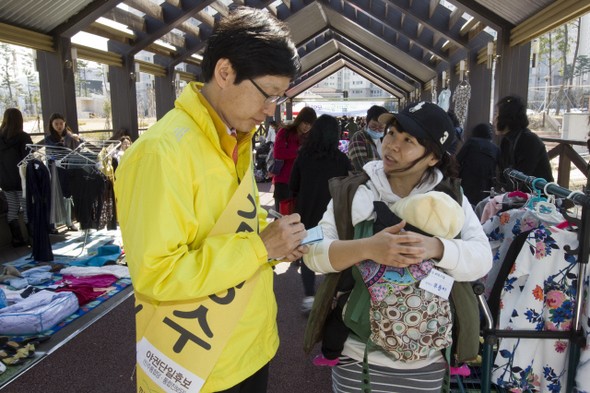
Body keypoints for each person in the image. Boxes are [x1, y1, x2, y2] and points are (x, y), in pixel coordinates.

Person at [114, 7, 308, 393]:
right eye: (268, 95)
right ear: (224, 73)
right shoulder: (160, 154)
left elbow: (229, 232)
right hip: (198, 368)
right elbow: (158, 274)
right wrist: (258, 247)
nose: (271, 111)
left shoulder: (234, 138)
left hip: (249, 347)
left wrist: (270, 246)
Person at [303, 101, 492, 392]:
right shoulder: (354, 191)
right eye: (391, 133)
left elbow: (482, 259)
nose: (392, 145)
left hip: (428, 361)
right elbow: (314, 255)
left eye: (408, 141)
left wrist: (436, 248)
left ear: (432, 157)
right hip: (356, 357)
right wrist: (368, 248)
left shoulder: (451, 198)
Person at [313, 191, 465, 368]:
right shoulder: (441, 256)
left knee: (342, 313)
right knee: (451, 318)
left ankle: (330, 354)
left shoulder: (380, 243)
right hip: (426, 319)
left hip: (376, 321)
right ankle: (455, 363)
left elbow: (349, 277)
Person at [289, 115, 353, 313]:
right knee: (333, 253)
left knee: (307, 254)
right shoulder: (341, 159)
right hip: (333, 216)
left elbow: (293, 185)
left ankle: (309, 297)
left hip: (306, 213)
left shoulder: (303, 155)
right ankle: (330, 298)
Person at [495, 95, 554, 190]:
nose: (494, 120)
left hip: (537, 199)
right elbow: (504, 175)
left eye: (496, 115)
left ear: (507, 117)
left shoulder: (529, 141)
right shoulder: (506, 140)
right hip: (516, 197)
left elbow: (521, 178)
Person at [272, 107, 317, 212]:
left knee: (298, 216)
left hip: (301, 182)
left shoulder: (310, 137)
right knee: (282, 216)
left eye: (311, 124)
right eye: (305, 123)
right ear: (299, 120)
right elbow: (277, 153)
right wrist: (300, 151)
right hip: (283, 182)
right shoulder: (285, 132)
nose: (307, 127)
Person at [0, 108, 33, 247]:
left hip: (5, 180)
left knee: (12, 209)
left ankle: (17, 239)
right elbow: (28, 159)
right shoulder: (23, 137)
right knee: (26, 209)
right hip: (21, 180)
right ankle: (32, 238)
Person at [44, 112, 79, 232]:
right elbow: (54, 147)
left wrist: (74, 137)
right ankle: (54, 225)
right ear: (51, 125)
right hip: (55, 169)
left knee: (68, 195)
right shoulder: (49, 138)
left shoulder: (69, 135)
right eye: (56, 124)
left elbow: (81, 142)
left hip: (68, 169)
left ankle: (69, 222)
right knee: (55, 195)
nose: (59, 126)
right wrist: (67, 140)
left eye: (61, 123)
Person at [456, 123, 500, 206]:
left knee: (465, 204)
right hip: (486, 184)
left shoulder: (471, 142)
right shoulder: (496, 148)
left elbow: (458, 159)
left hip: (467, 180)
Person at [348, 105, 389, 171]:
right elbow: (361, 167)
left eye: (381, 128)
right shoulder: (358, 137)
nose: (377, 130)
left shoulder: (386, 138)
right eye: (373, 126)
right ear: (367, 123)